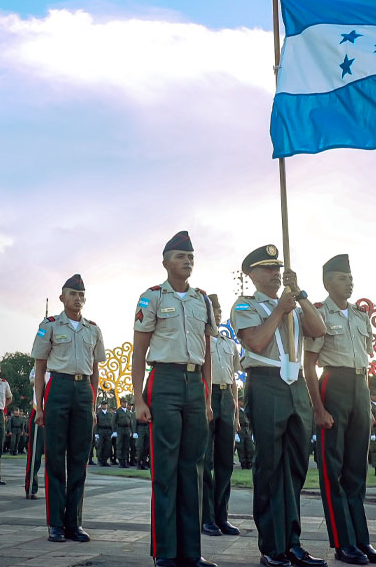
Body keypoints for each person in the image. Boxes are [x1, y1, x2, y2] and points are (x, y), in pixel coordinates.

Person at [232, 245, 327, 567]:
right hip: (266, 381)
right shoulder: (246, 304)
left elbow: (319, 330)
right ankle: (273, 546)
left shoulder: (294, 302)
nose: (274, 274)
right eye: (267, 269)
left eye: (277, 269)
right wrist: (278, 311)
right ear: (252, 274)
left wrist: (298, 295)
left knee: (296, 467)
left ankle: (293, 542)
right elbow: (255, 342)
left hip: (296, 383)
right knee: (271, 467)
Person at [132, 231, 219, 567]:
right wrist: (139, 398)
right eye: (181, 256)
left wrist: (208, 397)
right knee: (165, 470)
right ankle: (166, 551)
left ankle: (191, 552)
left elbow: (208, 354)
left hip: (195, 384)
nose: (188, 261)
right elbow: (139, 352)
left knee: (193, 470)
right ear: (166, 261)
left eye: (191, 257)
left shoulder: (202, 300)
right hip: (164, 381)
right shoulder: (151, 297)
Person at [304, 254, 376, 566]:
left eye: (350, 277)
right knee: (332, 469)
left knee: (356, 469)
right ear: (328, 282)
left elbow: (364, 358)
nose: (349, 282)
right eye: (342, 277)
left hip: (360, 387)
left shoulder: (361, 316)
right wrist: (318, 407)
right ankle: (342, 543)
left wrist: (366, 399)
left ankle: (361, 541)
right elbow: (309, 365)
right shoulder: (319, 314)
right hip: (333, 385)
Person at [32, 273, 106, 543]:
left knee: (79, 459)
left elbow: (96, 370)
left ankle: (74, 522)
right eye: (73, 294)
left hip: (83, 390)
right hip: (59, 387)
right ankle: (55, 524)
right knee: (54, 458)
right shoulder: (49, 325)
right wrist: (38, 406)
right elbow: (40, 368)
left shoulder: (93, 329)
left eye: (82, 295)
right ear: (63, 297)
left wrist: (94, 404)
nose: (78, 298)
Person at [201, 293, 241, 538]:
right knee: (205, 462)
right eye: (213, 310)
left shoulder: (228, 343)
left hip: (226, 398)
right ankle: (206, 518)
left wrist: (235, 412)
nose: (216, 314)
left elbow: (235, 379)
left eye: (218, 310)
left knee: (225, 462)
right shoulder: (200, 340)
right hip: (208, 394)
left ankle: (221, 516)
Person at [25, 365, 50, 500]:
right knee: (35, 453)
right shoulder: (37, 365)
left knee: (55, 454)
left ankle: (54, 489)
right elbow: (33, 380)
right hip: (39, 408)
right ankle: (31, 487)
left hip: (56, 408)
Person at [114, 400, 134, 468]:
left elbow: (131, 422)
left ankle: (125, 461)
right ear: (121, 403)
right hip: (120, 429)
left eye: (126, 402)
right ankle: (120, 461)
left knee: (126, 446)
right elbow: (113, 421)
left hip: (127, 430)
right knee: (120, 445)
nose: (125, 403)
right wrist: (114, 431)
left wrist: (132, 431)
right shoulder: (118, 411)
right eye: (124, 402)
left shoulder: (128, 412)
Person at [235, 398, 254, 470]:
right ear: (239, 402)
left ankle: (249, 461)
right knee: (241, 447)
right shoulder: (237, 410)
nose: (243, 403)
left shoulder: (246, 410)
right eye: (242, 401)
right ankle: (243, 463)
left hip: (247, 429)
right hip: (240, 429)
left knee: (250, 446)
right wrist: (235, 433)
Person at [96, 401, 113, 465]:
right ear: (101, 406)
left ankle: (105, 460)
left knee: (107, 446)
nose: (104, 406)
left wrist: (112, 431)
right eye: (103, 405)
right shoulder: (98, 414)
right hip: (101, 431)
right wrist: (96, 433)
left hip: (108, 431)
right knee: (100, 446)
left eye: (105, 405)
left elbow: (112, 423)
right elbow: (96, 424)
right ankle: (100, 460)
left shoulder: (109, 414)